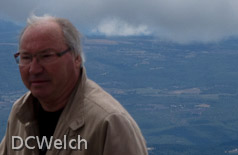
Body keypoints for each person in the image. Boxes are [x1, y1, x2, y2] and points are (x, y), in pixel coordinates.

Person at [0, 15, 148, 155]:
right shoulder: (21, 113)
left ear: (77, 58)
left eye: (46, 56)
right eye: (26, 57)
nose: (34, 69)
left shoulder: (109, 123)